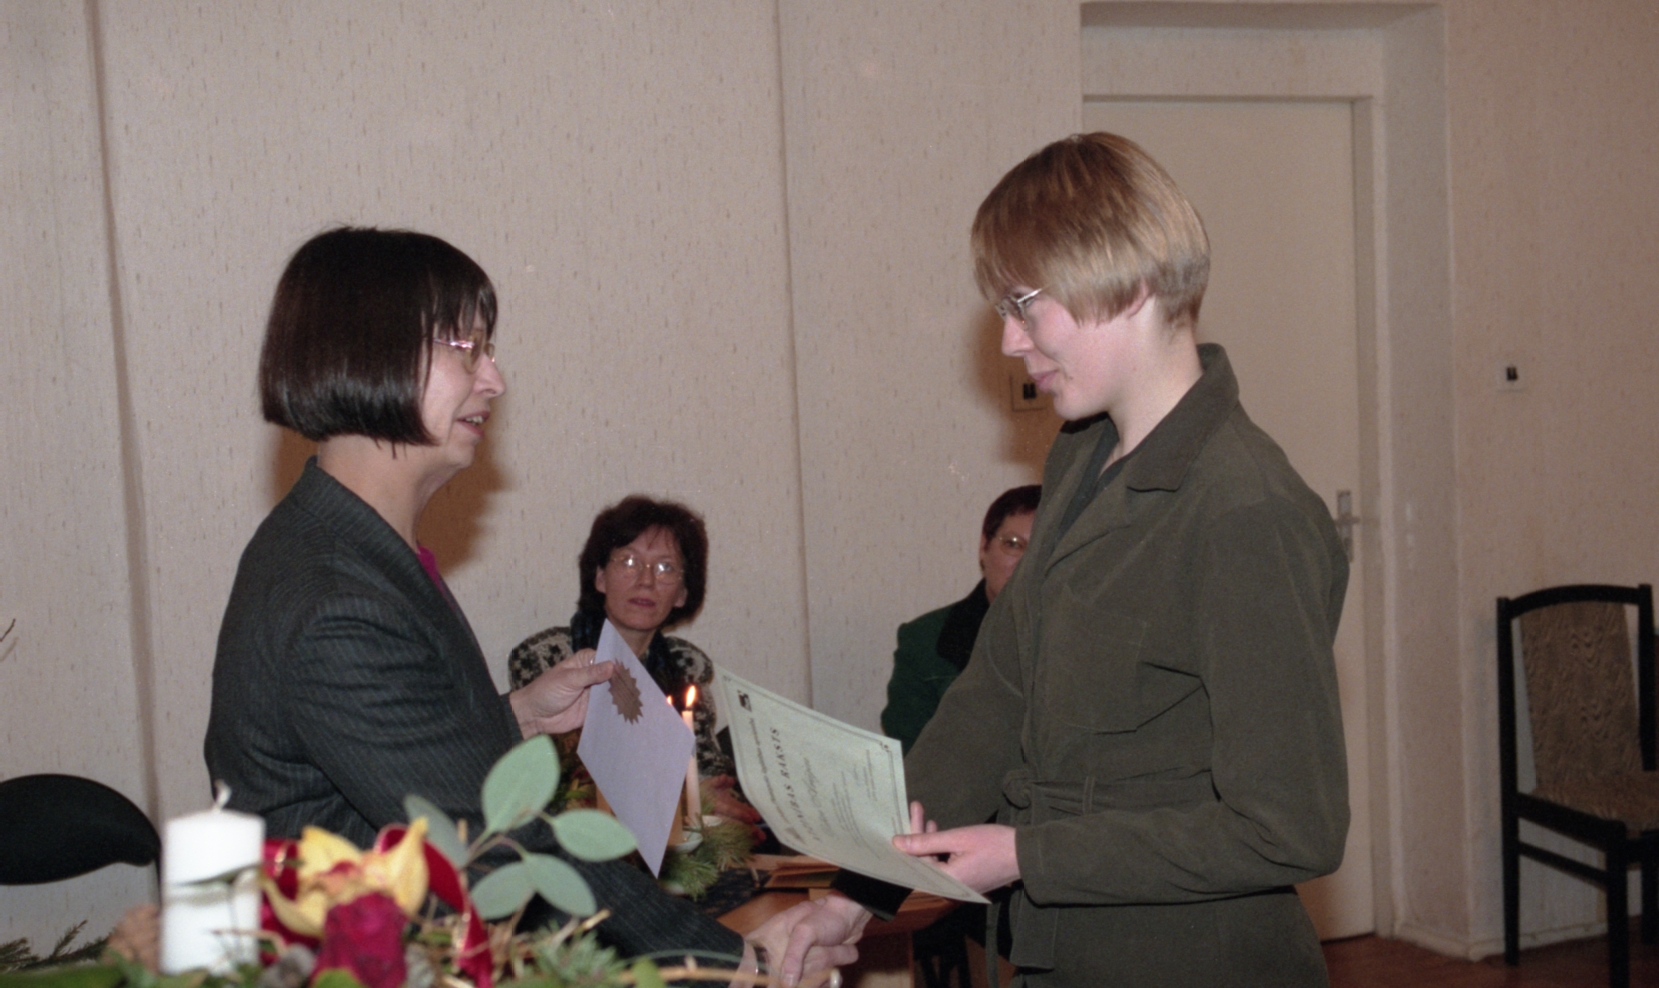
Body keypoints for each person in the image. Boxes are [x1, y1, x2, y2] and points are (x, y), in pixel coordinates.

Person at [756, 133, 1350, 987]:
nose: (1008, 339)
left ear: (1129, 284)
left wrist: (1026, 854)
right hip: (1057, 952)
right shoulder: (1081, 456)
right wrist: (853, 897)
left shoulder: (1244, 512)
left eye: (1025, 305)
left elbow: (1290, 827)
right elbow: (993, 696)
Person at [203, 227, 748, 963]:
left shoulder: (347, 544)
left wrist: (516, 715)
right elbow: (492, 850)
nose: (494, 379)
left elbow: (395, 755)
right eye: (466, 349)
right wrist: (734, 964)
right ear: (372, 353)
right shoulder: (338, 596)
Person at [508, 496, 734, 779]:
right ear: (600, 577)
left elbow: (706, 769)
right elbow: (547, 776)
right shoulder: (545, 656)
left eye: (665, 567)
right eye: (629, 561)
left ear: (682, 593)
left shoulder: (686, 666)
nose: (646, 581)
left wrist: (715, 787)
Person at [881, 484, 1040, 754]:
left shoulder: (1086, 639)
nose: (1027, 563)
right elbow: (911, 750)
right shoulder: (926, 641)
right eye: (1013, 545)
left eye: (1042, 550)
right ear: (984, 547)